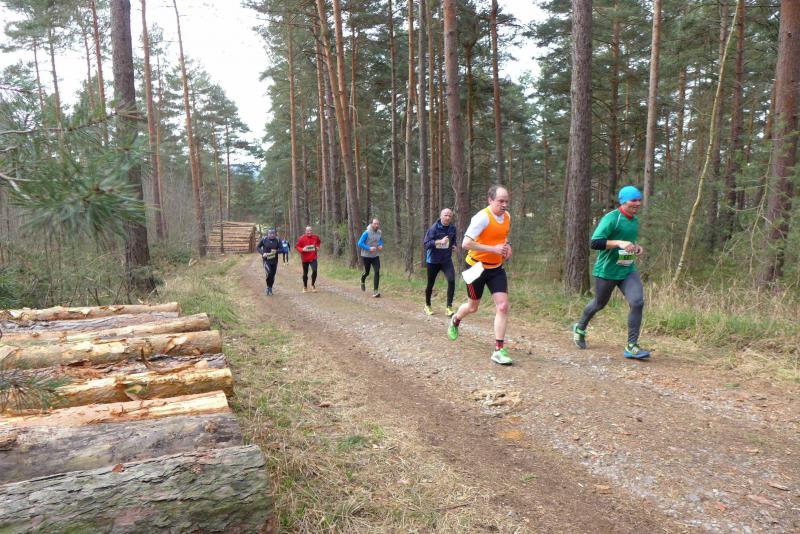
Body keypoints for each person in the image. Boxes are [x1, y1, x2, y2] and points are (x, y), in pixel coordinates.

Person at [572, 185, 651, 359]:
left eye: (639, 200)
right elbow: (595, 243)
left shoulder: (634, 220)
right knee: (599, 303)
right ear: (624, 201)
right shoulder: (612, 218)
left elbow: (628, 242)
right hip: (607, 270)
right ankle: (580, 327)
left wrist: (636, 247)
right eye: (633, 200)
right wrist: (618, 243)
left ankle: (632, 346)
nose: (637, 203)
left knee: (637, 302)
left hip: (627, 269)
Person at [447, 185, 513, 365]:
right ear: (490, 200)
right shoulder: (482, 218)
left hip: (496, 268)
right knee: (472, 307)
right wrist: (493, 249)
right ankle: (455, 319)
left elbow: (503, 236)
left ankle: (499, 350)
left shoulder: (507, 216)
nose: (504, 204)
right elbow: (466, 244)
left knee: (503, 306)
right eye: (500, 201)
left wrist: (508, 247)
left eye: (506, 201)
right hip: (476, 267)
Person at [423, 208, 457, 316]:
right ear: (441, 216)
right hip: (433, 261)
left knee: (451, 280)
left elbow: (453, 240)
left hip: (446, 260)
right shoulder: (433, 228)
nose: (448, 218)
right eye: (445, 215)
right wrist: (439, 242)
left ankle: (449, 307)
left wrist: (453, 246)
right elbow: (426, 244)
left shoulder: (452, 228)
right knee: (430, 283)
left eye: (450, 216)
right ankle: (427, 305)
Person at [358, 218, 383, 297]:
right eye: (375, 224)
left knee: (377, 271)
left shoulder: (379, 232)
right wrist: (369, 248)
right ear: (372, 224)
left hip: (375, 256)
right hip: (366, 256)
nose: (376, 225)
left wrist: (380, 245)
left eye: (378, 224)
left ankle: (375, 291)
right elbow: (360, 243)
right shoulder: (366, 232)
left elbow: (380, 240)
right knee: (367, 272)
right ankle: (362, 280)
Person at [295, 226, 321, 293]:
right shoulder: (301, 238)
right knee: (305, 273)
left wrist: (318, 247)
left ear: (312, 231)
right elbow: (297, 246)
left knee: (315, 271)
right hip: (305, 258)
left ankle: (312, 285)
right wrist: (302, 249)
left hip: (313, 257)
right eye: (308, 231)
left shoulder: (315, 237)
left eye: (310, 230)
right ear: (305, 231)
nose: (309, 232)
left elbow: (319, 242)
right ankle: (305, 286)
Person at [257, 228, 281, 296]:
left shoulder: (278, 240)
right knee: (269, 273)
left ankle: (270, 288)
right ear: (268, 234)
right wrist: (263, 253)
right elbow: (258, 247)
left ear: (275, 234)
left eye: (273, 233)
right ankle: (268, 286)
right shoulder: (264, 240)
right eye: (270, 233)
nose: (272, 235)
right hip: (266, 260)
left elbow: (282, 249)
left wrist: (276, 251)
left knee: (272, 275)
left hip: (274, 261)